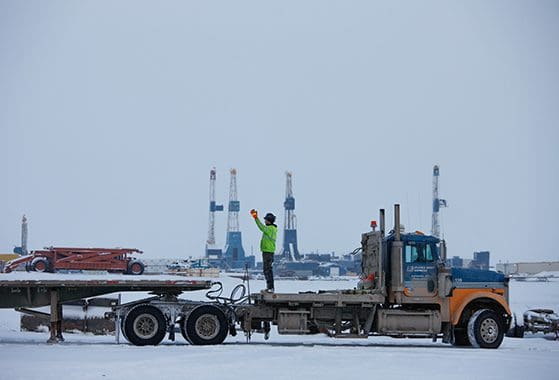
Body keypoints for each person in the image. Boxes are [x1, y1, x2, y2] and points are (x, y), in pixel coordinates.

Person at [250, 209, 277, 292]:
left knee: (267, 270)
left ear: (269, 221)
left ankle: (270, 288)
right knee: (267, 270)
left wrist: (255, 218)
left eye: (265, 219)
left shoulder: (270, 229)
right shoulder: (272, 228)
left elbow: (261, 227)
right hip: (267, 251)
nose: (264, 221)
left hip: (268, 252)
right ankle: (270, 287)